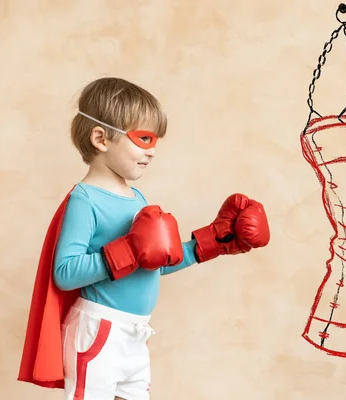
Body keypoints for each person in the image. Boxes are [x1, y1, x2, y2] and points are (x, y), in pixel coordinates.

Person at [17, 77, 270, 400]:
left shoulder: (136, 197)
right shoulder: (86, 198)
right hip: (99, 330)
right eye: (144, 138)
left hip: (135, 333)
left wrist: (213, 242)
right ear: (100, 138)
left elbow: (154, 263)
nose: (152, 152)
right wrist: (129, 250)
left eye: (156, 142)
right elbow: (65, 274)